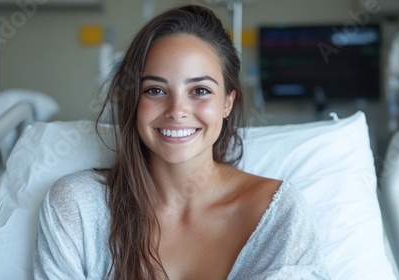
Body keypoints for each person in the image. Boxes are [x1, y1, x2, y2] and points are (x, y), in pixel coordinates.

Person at [33, 4, 330, 280]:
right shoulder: (79, 209)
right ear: (132, 101)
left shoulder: (276, 215)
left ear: (227, 102)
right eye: (155, 90)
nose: (176, 111)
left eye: (200, 90)